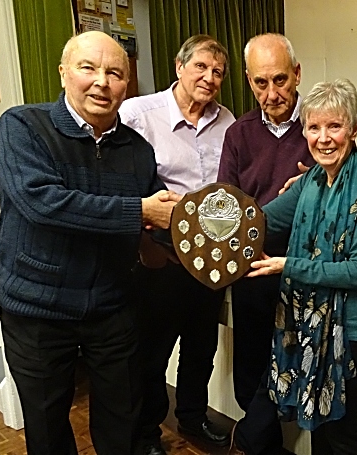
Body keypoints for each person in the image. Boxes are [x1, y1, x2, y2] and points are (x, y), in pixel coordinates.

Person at [0, 31, 178, 455]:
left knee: (124, 428)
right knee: (47, 431)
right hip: (37, 310)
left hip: (113, 308)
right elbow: (45, 204)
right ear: (63, 73)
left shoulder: (138, 151)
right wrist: (141, 212)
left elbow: (162, 216)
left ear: (126, 85)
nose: (101, 82)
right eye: (88, 68)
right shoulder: (22, 127)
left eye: (115, 73)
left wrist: (196, 232)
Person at [228, 78, 357, 455]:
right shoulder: (309, 183)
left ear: (352, 128)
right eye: (314, 127)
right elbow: (260, 221)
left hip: (351, 331)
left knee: (342, 431)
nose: (324, 138)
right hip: (306, 324)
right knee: (319, 426)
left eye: (334, 126)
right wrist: (209, 228)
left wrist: (289, 266)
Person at [119, 34, 235, 455]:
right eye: (201, 67)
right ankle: (148, 433)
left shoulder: (228, 122)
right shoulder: (138, 114)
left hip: (210, 255)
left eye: (217, 72)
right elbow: (119, 178)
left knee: (201, 345)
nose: (209, 78)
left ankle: (193, 418)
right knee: (153, 351)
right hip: (160, 252)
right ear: (179, 66)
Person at [217, 32, 315, 449]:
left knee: (298, 366)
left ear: (296, 74)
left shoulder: (320, 127)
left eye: (280, 80)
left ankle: (254, 440)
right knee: (253, 371)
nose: (272, 93)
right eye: (261, 83)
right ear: (248, 80)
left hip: (304, 271)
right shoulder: (238, 135)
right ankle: (264, 444)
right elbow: (222, 209)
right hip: (253, 270)